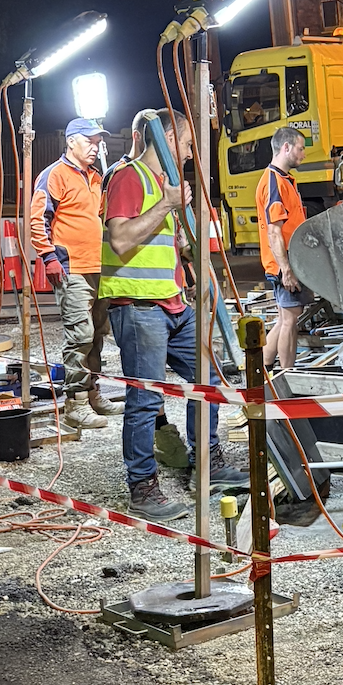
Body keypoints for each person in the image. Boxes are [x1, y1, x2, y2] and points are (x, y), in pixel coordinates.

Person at [99, 111, 248, 522]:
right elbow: (122, 238)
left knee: (209, 381)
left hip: (171, 303)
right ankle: (142, 488)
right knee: (146, 399)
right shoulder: (129, 177)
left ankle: (209, 464)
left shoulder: (160, 185)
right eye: (184, 144)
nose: (187, 154)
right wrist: (166, 203)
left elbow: (167, 243)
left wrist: (189, 259)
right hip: (139, 307)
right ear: (165, 138)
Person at [29, 117, 114, 430]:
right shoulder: (54, 175)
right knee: (80, 336)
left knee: (96, 336)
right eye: (90, 141)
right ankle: (74, 404)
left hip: (97, 268)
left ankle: (92, 394)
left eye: (97, 141)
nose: (96, 147)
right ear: (71, 141)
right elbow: (37, 219)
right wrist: (49, 256)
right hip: (72, 269)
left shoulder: (95, 177)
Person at [255, 126, 313, 373]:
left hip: (289, 259)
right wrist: (286, 270)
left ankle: (262, 367)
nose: (303, 154)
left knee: (285, 317)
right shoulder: (274, 182)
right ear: (286, 147)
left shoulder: (284, 179)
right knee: (290, 319)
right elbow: (274, 231)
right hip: (284, 262)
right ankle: (287, 375)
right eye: (300, 148)